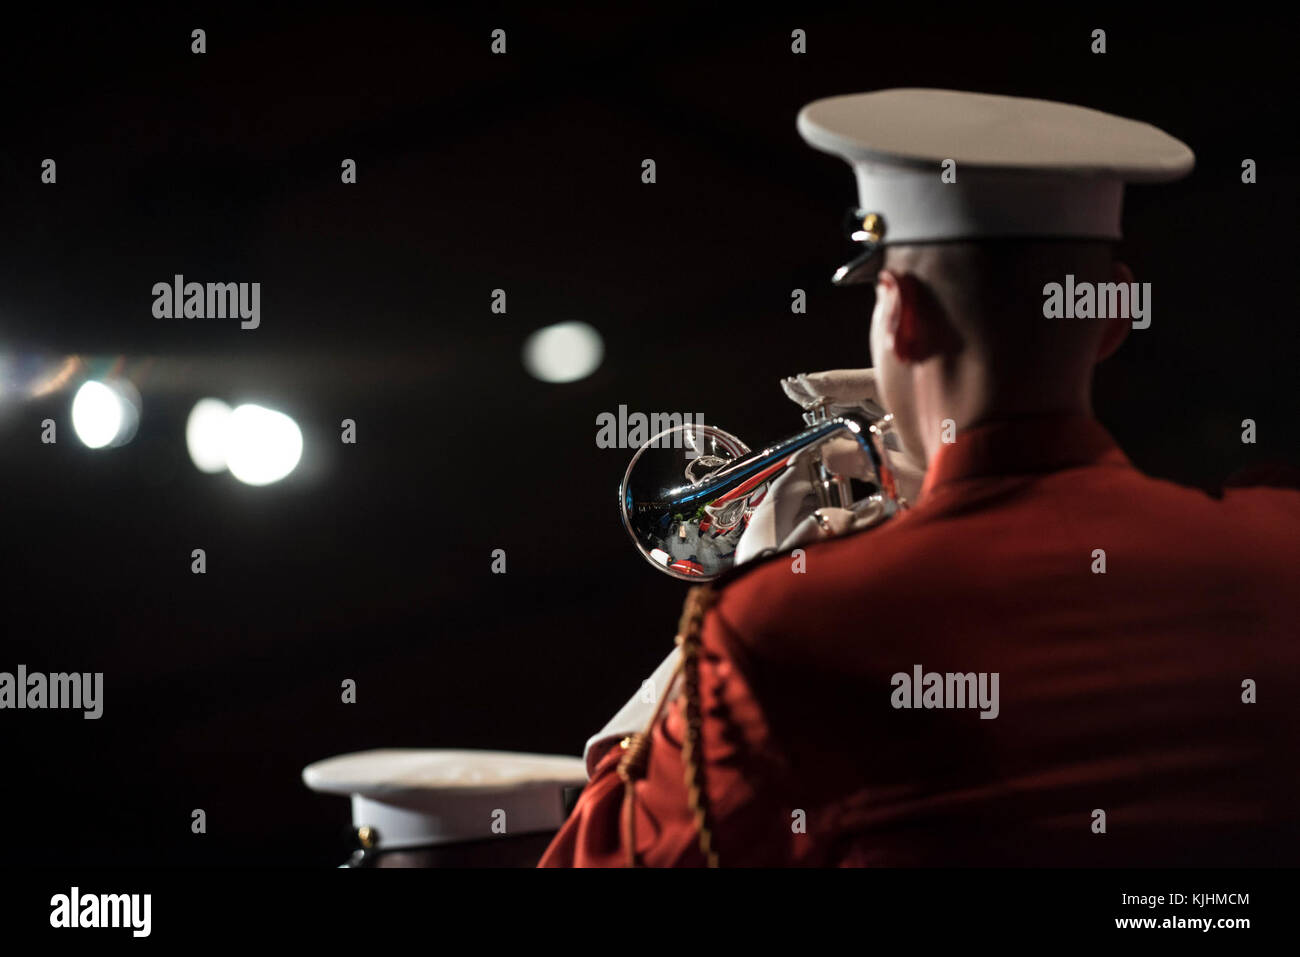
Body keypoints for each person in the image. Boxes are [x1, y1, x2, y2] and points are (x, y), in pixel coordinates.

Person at [539, 89, 1300, 867]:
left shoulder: (786, 628)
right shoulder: (1281, 543)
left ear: (898, 311)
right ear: (1110, 322)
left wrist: (729, 622)